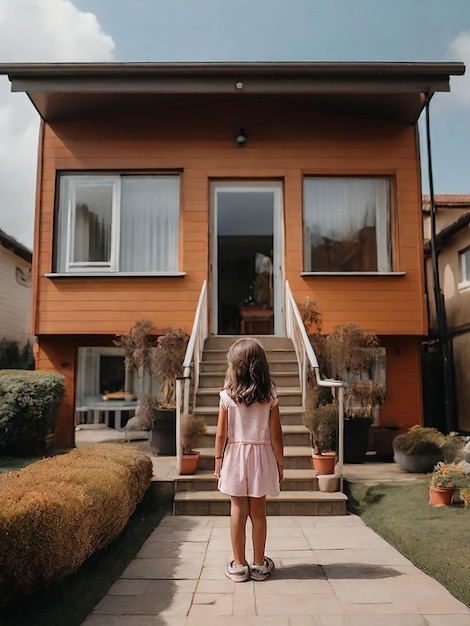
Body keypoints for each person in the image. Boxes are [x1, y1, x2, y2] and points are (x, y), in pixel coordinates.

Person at [214, 337, 284, 582]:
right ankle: (259, 565)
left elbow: (221, 433)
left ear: (235, 366)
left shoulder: (226, 397)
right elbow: (276, 435)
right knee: (259, 513)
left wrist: (217, 462)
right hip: (262, 457)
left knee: (237, 510)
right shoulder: (270, 397)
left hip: (234, 457)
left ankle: (238, 565)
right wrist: (280, 463)